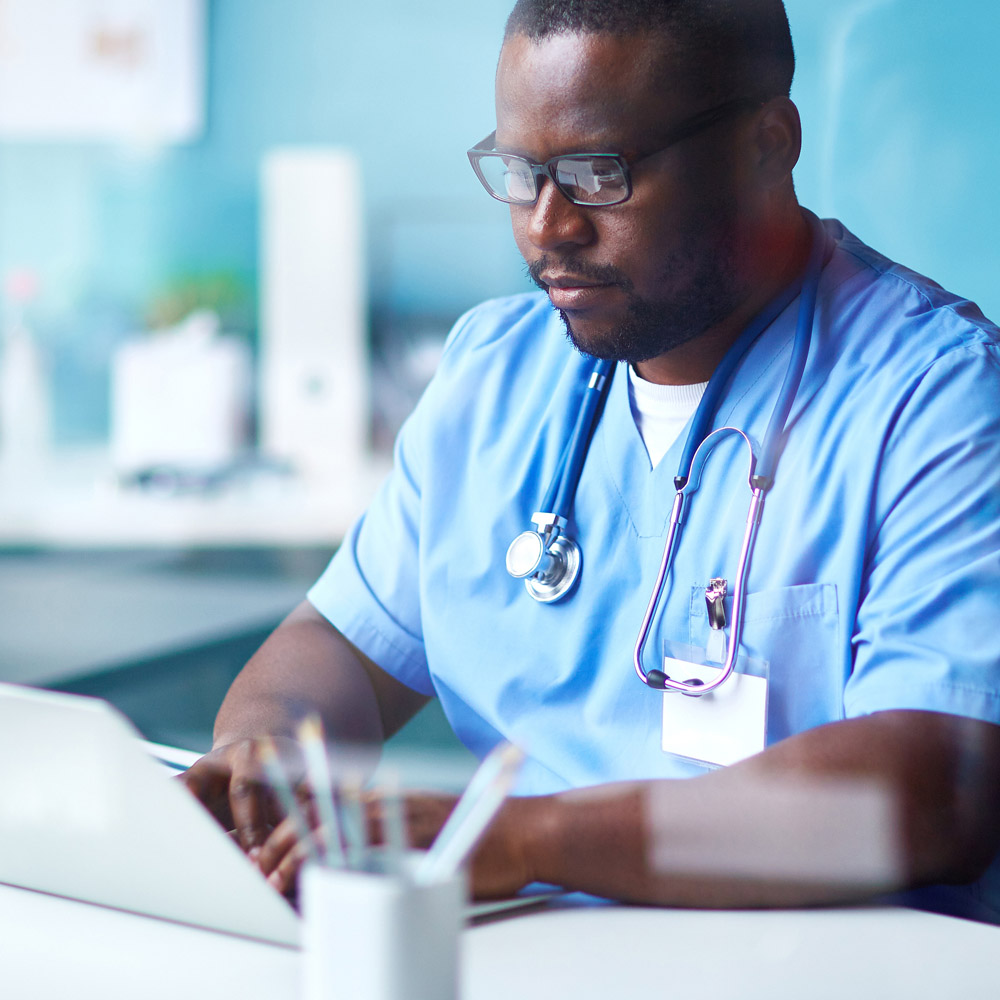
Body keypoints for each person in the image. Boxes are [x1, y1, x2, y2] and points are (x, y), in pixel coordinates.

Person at [184, 0, 1000, 921]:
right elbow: (334, 642)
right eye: (521, 171)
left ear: (768, 145)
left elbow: (936, 789)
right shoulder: (495, 374)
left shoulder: (941, 400)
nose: (548, 225)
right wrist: (264, 753)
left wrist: (520, 839)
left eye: (597, 174)